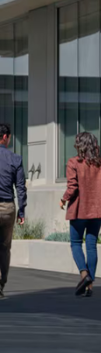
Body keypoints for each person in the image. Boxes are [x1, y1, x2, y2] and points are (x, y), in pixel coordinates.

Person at [60, 132, 101, 298]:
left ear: (80, 146)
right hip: (98, 211)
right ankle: (90, 286)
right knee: (91, 245)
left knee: (76, 243)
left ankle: (84, 275)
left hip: (79, 210)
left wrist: (63, 200)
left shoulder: (73, 162)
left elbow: (72, 187)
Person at [0, 124, 26, 300]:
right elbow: (21, 187)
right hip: (8, 208)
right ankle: (1, 284)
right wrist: (21, 211)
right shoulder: (15, 158)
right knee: (4, 248)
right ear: (5, 137)